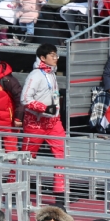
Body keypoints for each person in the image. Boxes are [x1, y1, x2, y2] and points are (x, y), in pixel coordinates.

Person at [22, 44, 67, 198]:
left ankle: (60, 194)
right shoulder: (35, 75)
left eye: (56, 55)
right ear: (43, 58)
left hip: (54, 122)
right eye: (52, 55)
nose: (56, 58)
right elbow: (25, 99)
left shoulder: (52, 73)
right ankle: (14, 190)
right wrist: (44, 108)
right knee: (26, 157)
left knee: (61, 156)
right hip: (35, 123)